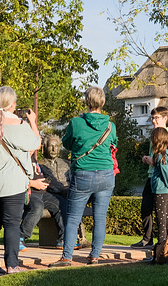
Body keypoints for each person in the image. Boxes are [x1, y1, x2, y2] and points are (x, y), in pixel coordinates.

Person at [49, 86, 117, 267]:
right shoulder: (111, 126)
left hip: (83, 174)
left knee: (72, 218)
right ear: (102, 102)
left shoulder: (76, 123)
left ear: (87, 102)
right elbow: (114, 144)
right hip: (106, 175)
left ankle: (67, 257)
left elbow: (67, 143)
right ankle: (94, 256)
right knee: (100, 218)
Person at [0, 86, 40, 277]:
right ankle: (12, 265)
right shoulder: (20, 124)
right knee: (12, 224)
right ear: (13, 104)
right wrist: (33, 122)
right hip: (13, 183)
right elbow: (35, 143)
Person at [131, 106, 168, 249]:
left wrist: (153, 161)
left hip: (162, 180)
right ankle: (148, 239)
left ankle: (164, 244)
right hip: (152, 176)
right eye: (152, 118)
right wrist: (149, 160)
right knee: (145, 208)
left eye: (156, 117)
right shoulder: (154, 134)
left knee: (163, 215)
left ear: (165, 118)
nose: (153, 120)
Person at [38, 134, 89, 249]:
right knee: (63, 202)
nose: (53, 149)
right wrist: (62, 190)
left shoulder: (66, 164)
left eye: (56, 146)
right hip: (50, 195)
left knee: (75, 201)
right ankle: (66, 238)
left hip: (68, 193)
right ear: (44, 147)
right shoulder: (40, 165)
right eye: (51, 146)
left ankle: (80, 237)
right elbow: (46, 183)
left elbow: (74, 180)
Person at [147, 127, 168, 244]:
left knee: (161, 221)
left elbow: (166, 175)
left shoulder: (161, 156)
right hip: (166, 192)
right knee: (167, 220)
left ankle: (161, 248)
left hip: (160, 191)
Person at [19, 154, 49, 251]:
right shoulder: (21, 156)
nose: (38, 141)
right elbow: (16, 177)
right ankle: (20, 237)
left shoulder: (34, 158)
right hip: (28, 192)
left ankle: (62, 239)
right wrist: (33, 183)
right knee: (37, 207)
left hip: (43, 192)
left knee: (61, 203)